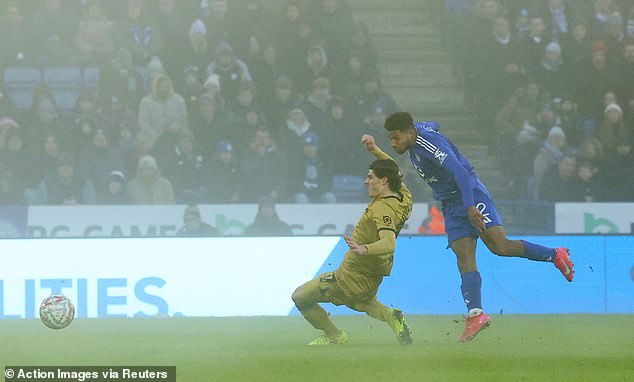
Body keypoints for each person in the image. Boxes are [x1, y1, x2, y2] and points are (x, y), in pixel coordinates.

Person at [382, 111, 574, 343]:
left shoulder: (427, 144)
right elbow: (435, 122)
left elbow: (460, 172)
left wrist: (470, 206)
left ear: (410, 132)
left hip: (470, 194)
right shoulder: (419, 133)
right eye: (390, 139)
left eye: (396, 138)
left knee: (500, 246)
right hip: (450, 203)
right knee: (462, 253)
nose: (393, 144)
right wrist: (429, 126)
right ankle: (476, 314)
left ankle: (554, 254)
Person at [291, 134, 413, 346]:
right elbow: (392, 166)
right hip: (376, 270)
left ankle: (334, 336)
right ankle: (390, 315)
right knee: (362, 301)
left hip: (354, 271)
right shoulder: (403, 195)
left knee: (300, 296)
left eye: (370, 177)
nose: (366, 181)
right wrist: (374, 149)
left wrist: (364, 248)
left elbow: (389, 241)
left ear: (384, 181)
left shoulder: (383, 208)